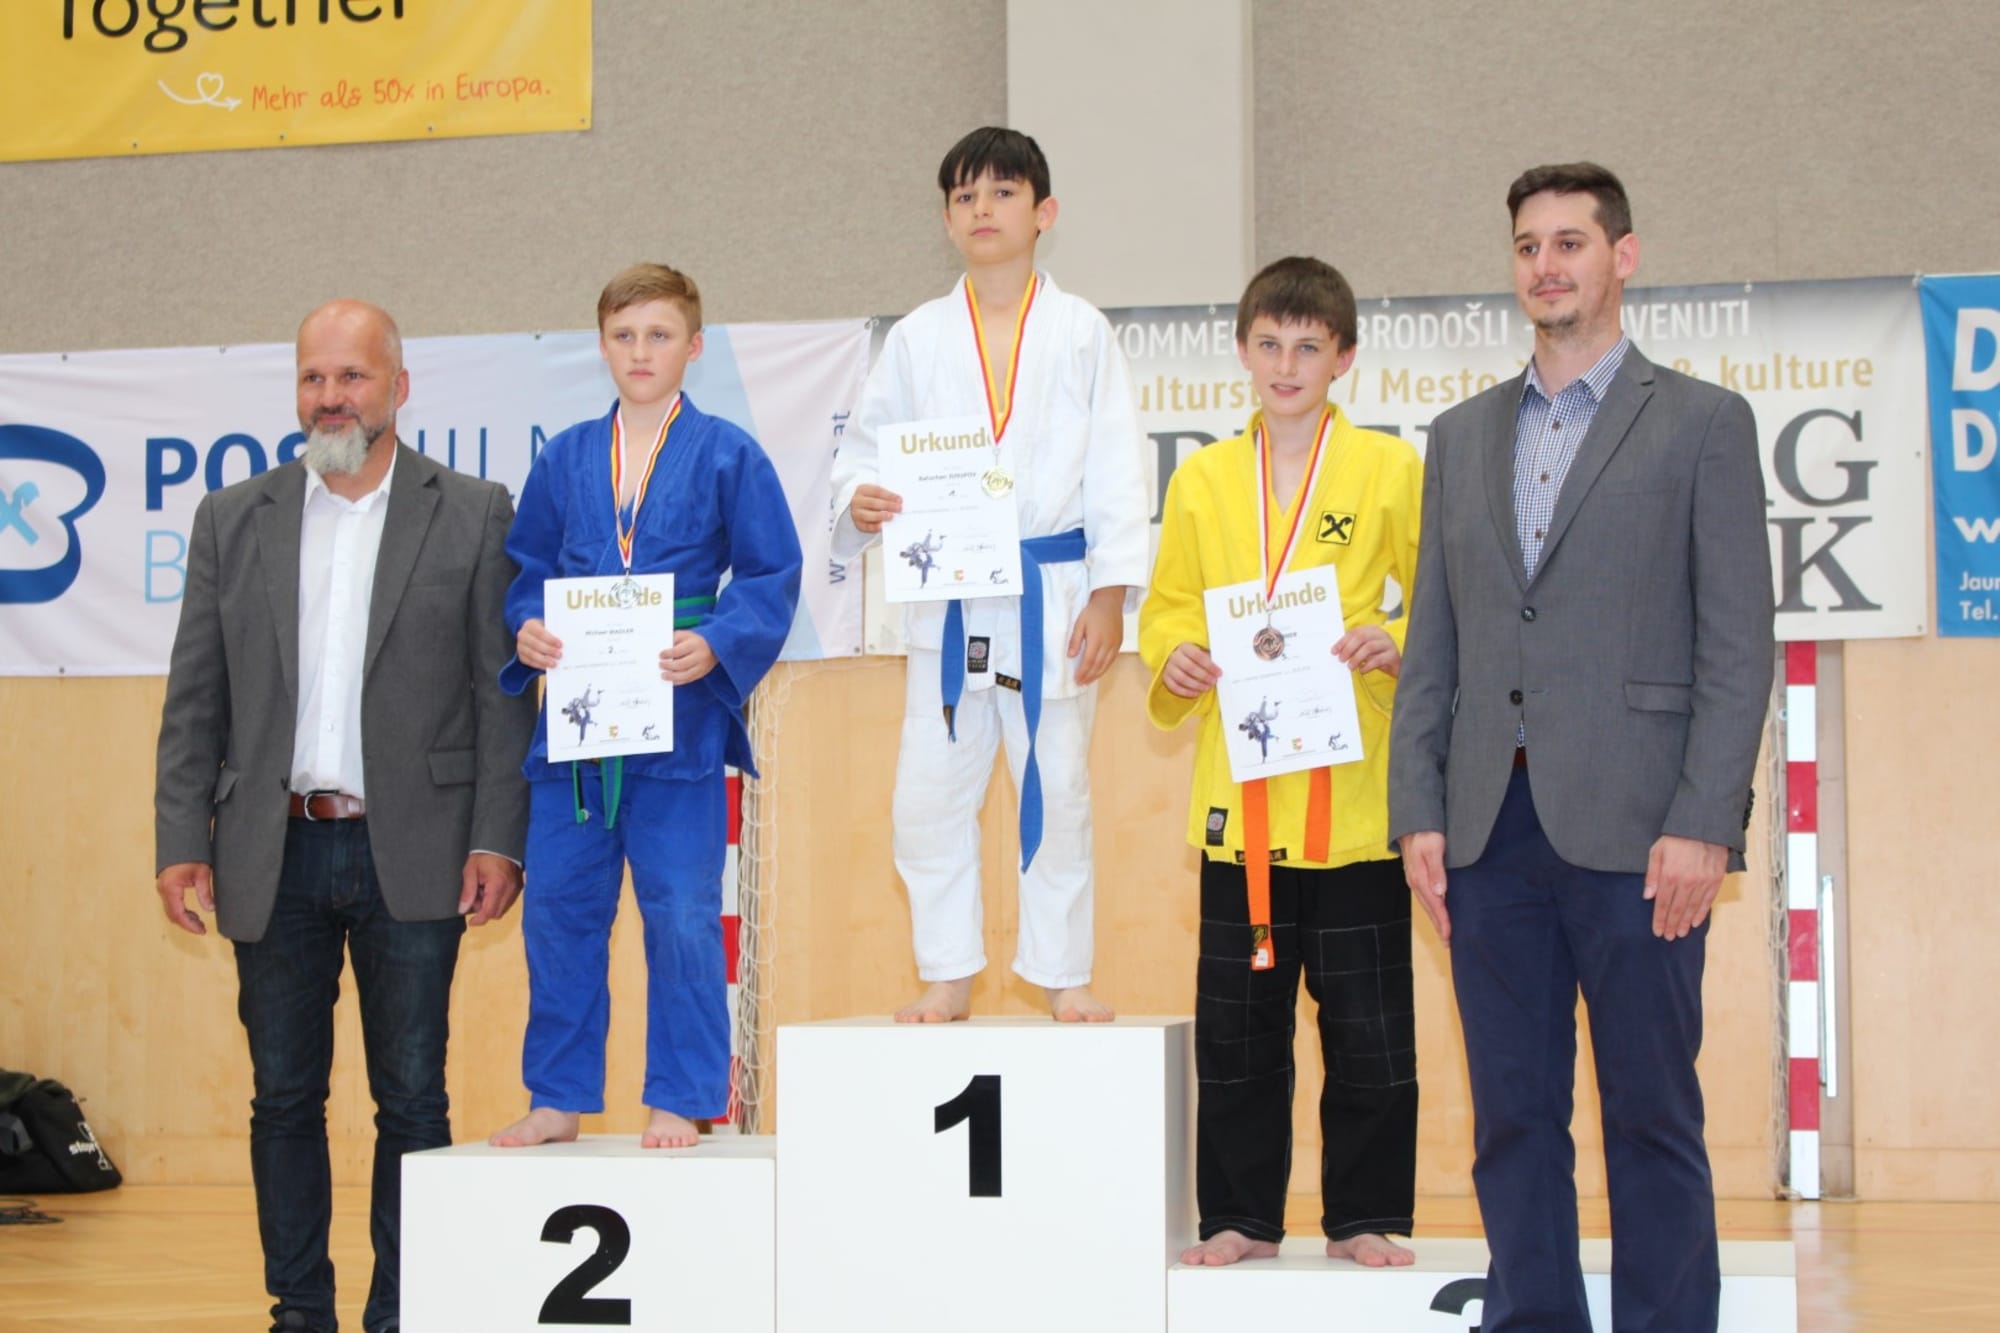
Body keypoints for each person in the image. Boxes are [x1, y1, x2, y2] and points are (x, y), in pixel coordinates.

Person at [1387, 163, 1775, 1332]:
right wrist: (1418, 810)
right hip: (1486, 832)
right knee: (1510, 1118)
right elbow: (1432, 641)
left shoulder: (1702, 423)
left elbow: (1734, 646)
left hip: (1642, 833)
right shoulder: (1459, 436)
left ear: (1622, 256)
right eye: (1526, 246)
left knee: (1650, 1116)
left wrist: (1703, 821)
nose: (1544, 265)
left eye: (1568, 241)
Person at [154, 299, 535, 1333]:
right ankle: (300, 1311)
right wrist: (182, 841)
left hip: (415, 851)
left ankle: (401, 1312)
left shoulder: (473, 511)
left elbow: (501, 694)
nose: (331, 396)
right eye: (314, 378)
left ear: (398, 388)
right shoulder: (233, 518)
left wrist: (497, 837)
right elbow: (195, 698)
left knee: (411, 1097)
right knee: (282, 1097)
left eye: (352, 376)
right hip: (269, 850)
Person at [830, 126, 1150, 1023]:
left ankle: (1063, 972)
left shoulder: (1082, 332)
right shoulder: (917, 339)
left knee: (1060, 788)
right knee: (927, 797)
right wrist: (862, 500)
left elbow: (1117, 469)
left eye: (1003, 192)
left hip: (1051, 596)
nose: (983, 209)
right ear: (945, 220)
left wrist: (1111, 595)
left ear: (1044, 212)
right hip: (949, 601)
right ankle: (947, 970)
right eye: (965, 196)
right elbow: (863, 455)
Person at [1141, 257, 1422, 1269]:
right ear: (1241, 351)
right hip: (1243, 810)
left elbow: (1438, 604)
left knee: (1369, 1029)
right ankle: (1241, 1216)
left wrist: (1396, 644)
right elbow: (1168, 608)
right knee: (1239, 1027)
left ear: (1343, 356)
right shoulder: (1203, 480)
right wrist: (1173, 656)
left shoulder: (1390, 470)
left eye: (1308, 346)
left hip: (1355, 809)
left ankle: (1364, 1214)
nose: (1287, 364)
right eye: (1269, 343)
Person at [487, 263, 802, 1151]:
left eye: (659, 335)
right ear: (601, 346)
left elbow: (772, 571)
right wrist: (529, 626)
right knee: (559, 912)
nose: (640, 351)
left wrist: (719, 641)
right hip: (579, 728)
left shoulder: (728, 452)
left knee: (682, 913)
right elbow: (526, 568)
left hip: (679, 719)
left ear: (693, 347)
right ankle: (557, 1095)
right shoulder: (565, 457)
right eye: (624, 336)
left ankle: (682, 1094)